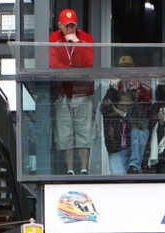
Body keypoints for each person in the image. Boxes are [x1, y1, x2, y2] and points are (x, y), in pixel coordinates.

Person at [49, 8, 96, 175]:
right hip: (63, 94)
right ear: (59, 25)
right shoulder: (54, 38)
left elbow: (88, 63)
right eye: (66, 26)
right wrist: (73, 71)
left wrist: (77, 42)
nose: (69, 29)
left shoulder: (86, 38)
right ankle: (69, 170)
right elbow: (54, 64)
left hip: (83, 94)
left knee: (84, 133)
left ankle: (84, 170)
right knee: (65, 134)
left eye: (72, 25)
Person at [112, 55, 153, 174]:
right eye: (122, 67)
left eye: (128, 66)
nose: (125, 69)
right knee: (117, 173)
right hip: (120, 127)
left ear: (133, 67)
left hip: (137, 121)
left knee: (138, 133)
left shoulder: (141, 80)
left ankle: (134, 166)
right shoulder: (115, 81)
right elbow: (107, 103)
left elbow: (149, 100)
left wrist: (139, 93)